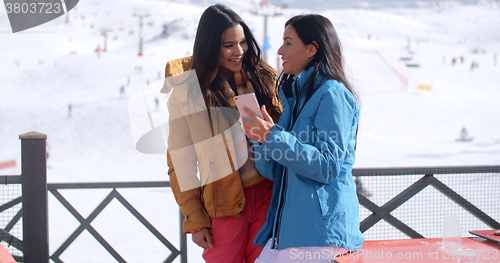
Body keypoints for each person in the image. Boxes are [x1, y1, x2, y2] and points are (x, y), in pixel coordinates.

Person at [242, 14, 364, 262]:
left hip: (320, 236)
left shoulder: (332, 94)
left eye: (288, 42)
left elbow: (327, 167)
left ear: (311, 49)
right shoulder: (294, 99)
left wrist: (273, 136)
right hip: (288, 233)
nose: (279, 50)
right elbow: (272, 171)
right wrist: (261, 138)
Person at [165, 4, 282, 263]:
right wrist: (195, 219)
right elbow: (181, 162)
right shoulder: (188, 92)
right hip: (223, 203)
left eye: (242, 42)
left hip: (267, 195)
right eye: (229, 45)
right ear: (209, 46)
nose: (239, 51)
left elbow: (284, 134)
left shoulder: (262, 77)